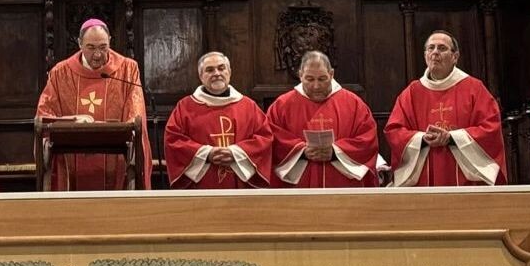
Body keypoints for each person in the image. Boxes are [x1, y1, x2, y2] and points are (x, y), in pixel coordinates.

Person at [34, 18, 152, 189]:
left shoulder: (127, 70)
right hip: (70, 161)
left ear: (110, 42)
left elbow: (136, 113)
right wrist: (72, 121)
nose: (97, 54)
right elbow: (44, 115)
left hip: (116, 160)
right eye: (91, 48)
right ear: (80, 44)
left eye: (103, 47)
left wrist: (128, 130)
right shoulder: (60, 73)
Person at [384, 31, 506, 187]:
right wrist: (422, 138)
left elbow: (491, 128)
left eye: (442, 48)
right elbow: (394, 131)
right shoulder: (411, 92)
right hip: (422, 183)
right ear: (425, 55)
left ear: (455, 57)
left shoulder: (474, 89)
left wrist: (452, 138)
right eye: (431, 48)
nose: (435, 52)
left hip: (466, 182)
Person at [267, 51, 378, 188]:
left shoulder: (354, 104)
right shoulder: (282, 105)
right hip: (299, 185)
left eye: (322, 79)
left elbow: (367, 140)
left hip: (343, 184)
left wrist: (336, 152)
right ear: (300, 75)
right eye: (309, 79)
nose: (316, 86)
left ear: (331, 74)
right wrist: (301, 151)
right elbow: (271, 139)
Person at [164, 52, 273, 189]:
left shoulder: (248, 106)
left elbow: (264, 138)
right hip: (201, 186)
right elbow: (173, 140)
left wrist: (235, 153)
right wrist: (206, 153)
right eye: (209, 70)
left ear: (229, 72)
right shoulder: (185, 107)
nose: (216, 73)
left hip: (240, 187)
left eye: (221, 68)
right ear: (200, 76)